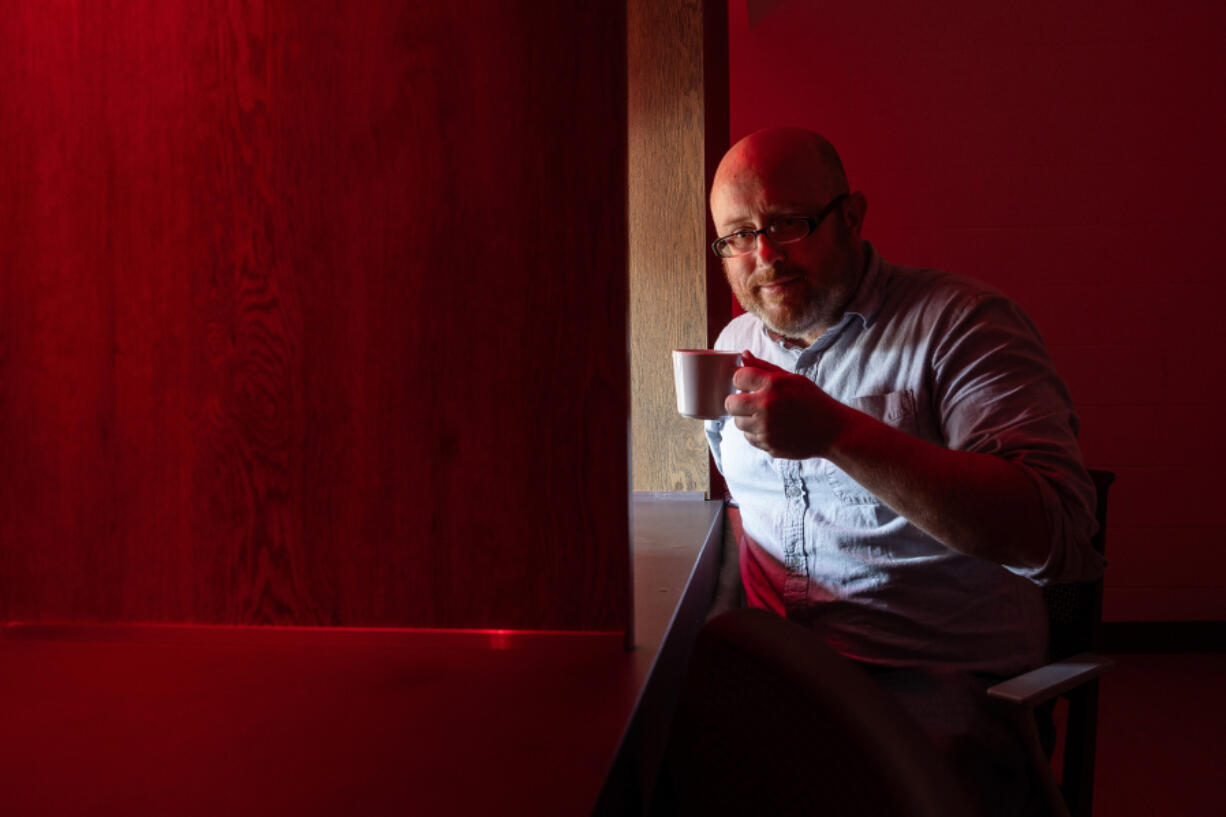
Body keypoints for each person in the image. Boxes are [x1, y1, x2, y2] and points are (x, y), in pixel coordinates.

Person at [704, 127, 1105, 816]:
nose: (763, 256)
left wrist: (837, 432)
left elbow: (1058, 531)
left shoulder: (962, 325)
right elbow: (752, 508)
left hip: (934, 689)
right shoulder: (732, 346)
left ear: (852, 217)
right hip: (785, 684)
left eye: (788, 224)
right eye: (737, 236)